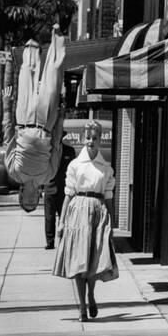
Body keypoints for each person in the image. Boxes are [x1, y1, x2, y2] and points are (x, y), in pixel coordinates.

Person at [52, 121, 119, 322]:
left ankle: (91, 295)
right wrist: (62, 222)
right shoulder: (74, 165)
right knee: (79, 262)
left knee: (93, 260)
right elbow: (68, 195)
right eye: (88, 137)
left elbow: (109, 198)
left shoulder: (106, 169)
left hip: (98, 213)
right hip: (77, 214)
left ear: (100, 139)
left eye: (95, 138)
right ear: (84, 138)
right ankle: (82, 306)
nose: (91, 141)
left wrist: (112, 224)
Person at [3, 24, 66, 212]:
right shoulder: (48, 176)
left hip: (23, 119)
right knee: (54, 77)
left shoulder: (14, 173)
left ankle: (31, 38)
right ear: (39, 198)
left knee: (27, 71)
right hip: (46, 122)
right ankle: (57, 36)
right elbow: (56, 145)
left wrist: (7, 105)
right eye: (33, 203)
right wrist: (61, 117)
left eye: (26, 202)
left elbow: (8, 141)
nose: (31, 200)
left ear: (21, 197)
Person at [43, 136, 76, 249]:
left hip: (64, 189)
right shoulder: (46, 151)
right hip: (49, 187)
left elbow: (74, 171)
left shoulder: (69, 151)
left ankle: (64, 240)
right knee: (49, 217)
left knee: (65, 216)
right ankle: (50, 242)